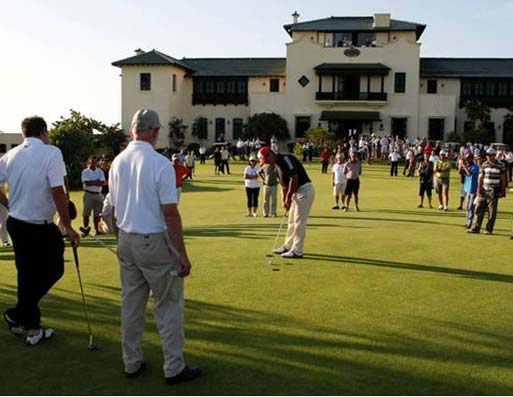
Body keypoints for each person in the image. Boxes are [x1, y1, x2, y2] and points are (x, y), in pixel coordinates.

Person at [109, 109, 201, 384]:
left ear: (133, 130)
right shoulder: (160, 164)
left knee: (132, 305)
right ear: (155, 131)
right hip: (153, 241)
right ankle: (173, 367)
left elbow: (111, 207)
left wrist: (120, 238)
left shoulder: (117, 161)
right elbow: (170, 213)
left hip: (126, 238)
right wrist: (182, 254)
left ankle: (132, 362)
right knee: (168, 305)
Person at [0, 116, 79, 345]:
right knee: (54, 269)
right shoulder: (51, 152)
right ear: (43, 131)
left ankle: (30, 325)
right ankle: (22, 316)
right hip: (40, 226)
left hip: (17, 223)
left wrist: (8, 204)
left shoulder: (11, 155)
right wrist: (69, 227)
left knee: (27, 275)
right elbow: (58, 192)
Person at [258, 147, 315, 258]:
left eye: (267, 160)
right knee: (291, 221)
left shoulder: (286, 159)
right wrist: (284, 199)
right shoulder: (274, 166)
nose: (267, 163)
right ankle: (288, 246)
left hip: (304, 190)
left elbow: (294, 178)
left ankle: (297, 251)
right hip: (295, 192)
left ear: (271, 154)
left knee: (299, 222)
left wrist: (289, 196)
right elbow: (283, 185)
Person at [468, 148, 507, 235]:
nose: (488, 157)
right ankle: (475, 228)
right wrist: (478, 190)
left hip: (494, 190)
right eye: (487, 155)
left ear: (494, 155)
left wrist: (502, 191)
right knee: (478, 209)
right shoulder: (484, 164)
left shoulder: (501, 165)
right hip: (484, 189)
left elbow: (503, 179)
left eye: (489, 155)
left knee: (491, 211)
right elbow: (480, 178)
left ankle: (488, 229)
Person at [81, 156, 106, 235]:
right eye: (92, 162)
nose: (94, 164)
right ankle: (86, 230)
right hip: (89, 194)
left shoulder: (100, 171)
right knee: (86, 214)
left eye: (95, 162)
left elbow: (102, 183)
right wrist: (96, 181)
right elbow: (87, 183)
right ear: (89, 162)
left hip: (98, 194)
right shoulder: (85, 172)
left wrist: (93, 182)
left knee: (97, 214)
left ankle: (97, 230)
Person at [459, 151, 480, 229]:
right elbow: (460, 172)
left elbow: (469, 174)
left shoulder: (475, 166)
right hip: (467, 188)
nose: (467, 160)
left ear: (472, 158)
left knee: (471, 207)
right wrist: (461, 165)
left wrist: (464, 166)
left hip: (473, 189)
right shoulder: (467, 165)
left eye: (468, 158)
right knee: (467, 206)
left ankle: (471, 223)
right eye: (466, 158)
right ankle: (468, 222)